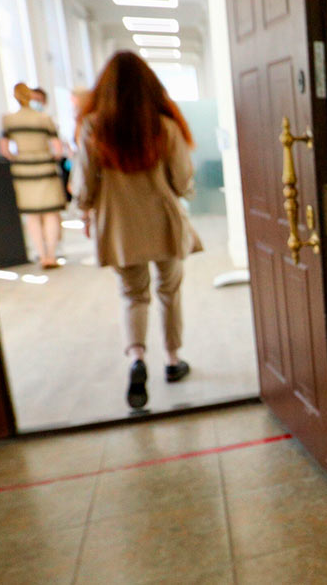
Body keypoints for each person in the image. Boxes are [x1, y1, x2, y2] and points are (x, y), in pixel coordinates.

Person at [73, 51, 201, 409]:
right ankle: (173, 360)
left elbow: (85, 182)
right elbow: (182, 181)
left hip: (119, 224)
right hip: (163, 220)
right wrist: (182, 192)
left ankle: (137, 359)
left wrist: (85, 211)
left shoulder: (92, 127)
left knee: (133, 294)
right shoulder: (165, 127)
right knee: (169, 289)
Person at [0, 82, 65, 268]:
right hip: (45, 166)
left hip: (23, 168)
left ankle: (41, 255)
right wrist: (49, 157)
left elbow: (4, 150)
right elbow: (58, 149)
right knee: (51, 212)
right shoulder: (44, 118)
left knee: (32, 215)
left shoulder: (8, 120)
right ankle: (51, 255)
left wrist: (18, 158)